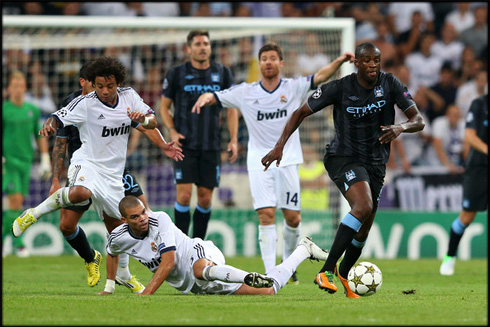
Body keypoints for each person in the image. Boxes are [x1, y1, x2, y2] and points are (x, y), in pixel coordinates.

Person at [261, 42, 425, 298]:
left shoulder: (391, 84)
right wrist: (279, 146)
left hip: (375, 163)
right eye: (367, 60)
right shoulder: (340, 87)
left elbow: (419, 120)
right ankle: (326, 270)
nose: (373, 65)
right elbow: (299, 112)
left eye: (376, 60)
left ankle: (344, 275)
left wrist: (400, 127)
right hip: (343, 157)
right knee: (362, 207)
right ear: (357, 63)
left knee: (364, 227)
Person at [12, 56, 183, 289]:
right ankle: (34, 213)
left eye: (109, 86)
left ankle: (122, 274)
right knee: (82, 192)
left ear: (118, 83)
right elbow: (58, 116)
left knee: (119, 228)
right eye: (99, 86)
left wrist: (161, 141)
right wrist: (50, 124)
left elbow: (150, 122)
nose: (104, 91)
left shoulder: (129, 97)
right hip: (87, 163)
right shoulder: (86, 103)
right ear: (92, 83)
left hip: (113, 175)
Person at [192, 42, 354, 282]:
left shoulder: (293, 87)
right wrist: (205, 98)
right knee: (266, 215)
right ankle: (270, 272)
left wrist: (339, 61)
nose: (267, 62)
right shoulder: (246, 91)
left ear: (281, 63)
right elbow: (216, 96)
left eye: (272, 58)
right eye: (264, 59)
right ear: (260, 64)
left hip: (288, 160)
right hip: (259, 162)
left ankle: (289, 266)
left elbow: (319, 76)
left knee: (293, 218)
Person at [98, 195, 329, 295]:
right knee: (267, 290)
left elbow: (168, 262)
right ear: (124, 221)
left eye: (143, 213)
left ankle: (247, 275)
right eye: (136, 217)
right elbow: (112, 252)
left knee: (200, 270)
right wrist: (110, 286)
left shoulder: (160, 220)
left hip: (199, 253)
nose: (143, 218)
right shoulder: (118, 236)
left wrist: (146, 293)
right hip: (195, 286)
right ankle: (304, 249)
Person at [160, 30, 238, 240]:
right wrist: (173, 131)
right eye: (197, 44)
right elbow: (164, 107)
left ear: (210, 48)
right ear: (188, 49)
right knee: (184, 196)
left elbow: (231, 108)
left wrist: (233, 139)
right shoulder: (176, 73)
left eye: (206, 44)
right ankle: (180, 246)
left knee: (204, 199)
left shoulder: (223, 73)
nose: (202, 47)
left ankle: (198, 247)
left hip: (211, 145)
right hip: (184, 144)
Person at [2, 70, 51, 257]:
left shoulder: (32, 110)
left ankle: (7, 240)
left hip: (26, 161)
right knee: (14, 201)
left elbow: (39, 136)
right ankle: (19, 244)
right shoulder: (4, 109)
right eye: (14, 86)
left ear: (25, 88)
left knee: (18, 204)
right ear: (9, 89)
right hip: (9, 161)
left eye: (20, 86)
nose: (17, 89)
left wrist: (45, 158)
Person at [440, 94, 488, 276]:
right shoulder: (480, 104)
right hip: (479, 168)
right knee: (467, 217)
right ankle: (449, 257)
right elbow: (469, 136)